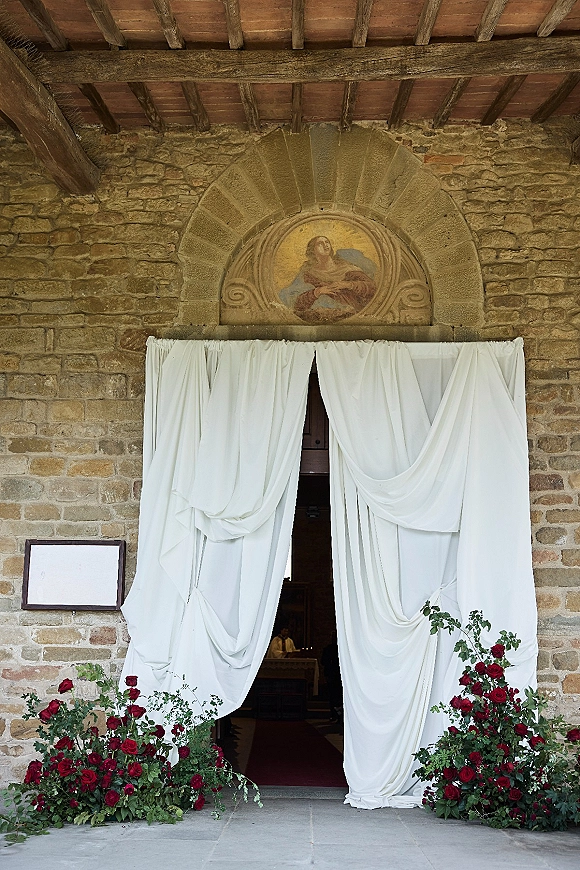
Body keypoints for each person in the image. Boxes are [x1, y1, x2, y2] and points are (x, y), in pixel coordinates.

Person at [279, 235, 377, 323]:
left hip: (352, 313)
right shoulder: (308, 274)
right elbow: (296, 302)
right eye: (320, 244)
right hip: (320, 315)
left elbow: (372, 288)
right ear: (312, 250)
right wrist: (317, 292)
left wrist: (348, 284)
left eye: (327, 242)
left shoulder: (347, 268)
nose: (325, 245)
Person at [321, 631, 343, 722]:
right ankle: (336, 715)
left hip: (336, 674)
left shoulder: (333, 649)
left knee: (335, 695)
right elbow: (323, 661)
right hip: (335, 674)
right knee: (335, 695)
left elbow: (323, 661)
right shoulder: (331, 649)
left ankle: (337, 715)